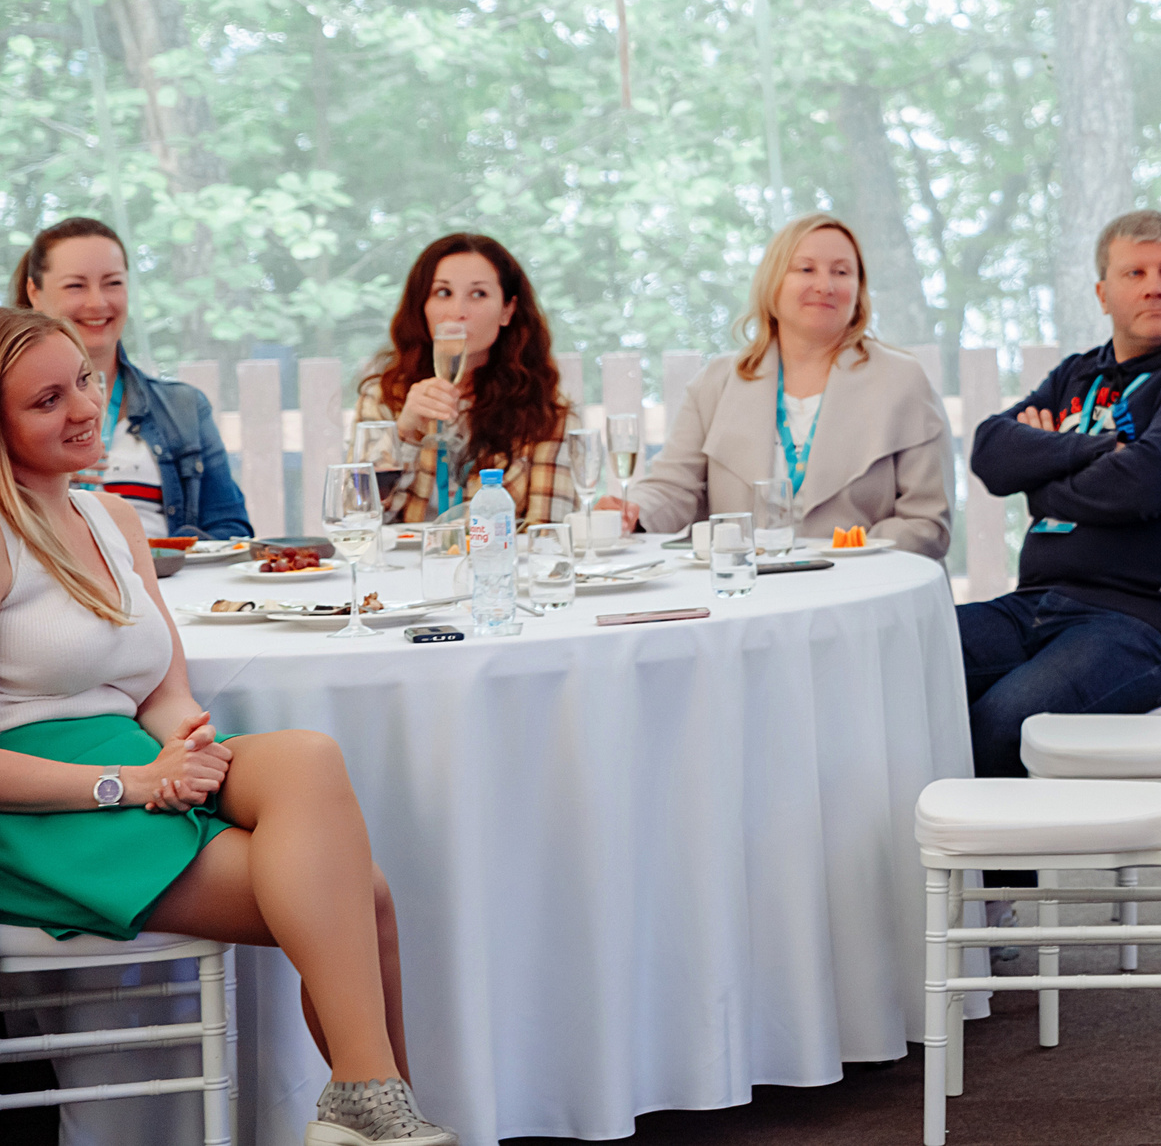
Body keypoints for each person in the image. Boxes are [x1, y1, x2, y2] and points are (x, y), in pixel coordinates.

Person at [0, 308, 452, 1144]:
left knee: (307, 758)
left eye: (86, 381)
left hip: (137, 765)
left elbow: (163, 682)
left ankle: (374, 1106)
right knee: (367, 898)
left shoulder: (111, 520)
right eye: (45, 399)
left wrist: (185, 747)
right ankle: (378, 1108)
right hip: (38, 810)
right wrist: (130, 782)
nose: (82, 407)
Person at [959, 209, 1161, 780]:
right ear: (1103, 293)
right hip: (1038, 602)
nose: (1154, 285)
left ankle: (999, 868)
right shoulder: (1078, 375)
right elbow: (991, 452)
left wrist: (1043, 482)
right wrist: (1098, 451)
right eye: (1135, 272)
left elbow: (1142, 484)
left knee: (1004, 721)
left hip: (1146, 622)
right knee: (907, 664)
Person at [602, 213, 951, 556]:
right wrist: (632, 510)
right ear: (773, 283)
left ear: (859, 291)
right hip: (746, 588)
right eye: (806, 269)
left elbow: (927, 523)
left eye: (842, 272)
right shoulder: (716, 382)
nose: (825, 286)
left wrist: (855, 552)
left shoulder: (903, 381)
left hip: (863, 592)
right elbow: (673, 489)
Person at [12, 217, 252, 541]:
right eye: (76, 285)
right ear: (34, 292)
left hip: (171, 586)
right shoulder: (9, 411)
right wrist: (43, 488)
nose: (97, 302)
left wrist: (168, 555)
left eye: (113, 283)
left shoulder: (184, 407)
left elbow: (231, 531)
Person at [353, 235, 572, 526]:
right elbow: (357, 518)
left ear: (507, 310)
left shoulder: (545, 411)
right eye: (443, 292)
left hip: (496, 567)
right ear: (422, 306)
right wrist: (404, 432)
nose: (458, 311)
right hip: (407, 570)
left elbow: (548, 534)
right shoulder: (383, 395)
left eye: (478, 294)